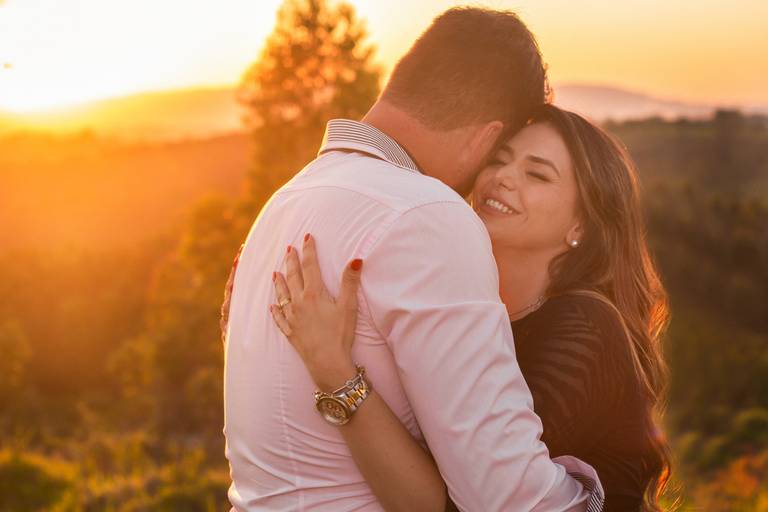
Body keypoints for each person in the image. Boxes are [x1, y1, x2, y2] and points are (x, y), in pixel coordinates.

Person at [222, 7, 604, 511]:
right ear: (487, 136)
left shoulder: (285, 203)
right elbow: (504, 495)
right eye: (499, 155)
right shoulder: (427, 214)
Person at [265, 104, 671, 511]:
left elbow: (464, 497)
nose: (503, 178)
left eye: (537, 174)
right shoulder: (469, 312)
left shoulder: (586, 325)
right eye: (498, 160)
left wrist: (335, 371)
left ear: (580, 226)